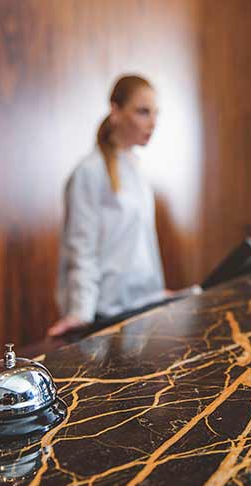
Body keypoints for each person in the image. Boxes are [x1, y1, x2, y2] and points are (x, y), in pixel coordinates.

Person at [48, 75, 166, 337]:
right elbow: (81, 249)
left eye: (156, 113)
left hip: (141, 309)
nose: (153, 123)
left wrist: (155, 293)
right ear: (116, 112)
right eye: (143, 112)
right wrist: (81, 312)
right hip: (105, 316)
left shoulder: (136, 169)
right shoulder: (88, 173)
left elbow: (140, 246)